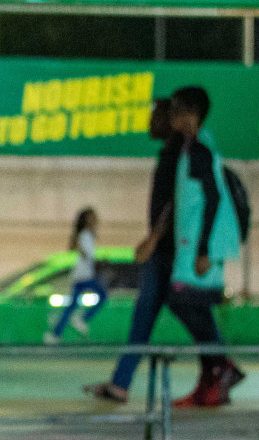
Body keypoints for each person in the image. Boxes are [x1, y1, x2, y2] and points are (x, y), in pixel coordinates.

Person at [84, 99, 241, 403]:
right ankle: (213, 372)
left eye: (158, 116)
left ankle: (219, 367)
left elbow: (179, 202)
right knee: (154, 314)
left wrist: (156, 238)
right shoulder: (177, 153)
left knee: (174, 307)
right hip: (171, 250)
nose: (150, 122)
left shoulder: (184, 155)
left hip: (172, 252)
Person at [163, 86, 245, 408]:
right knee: (194, 307)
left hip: (198, 248)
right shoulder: (192, 149)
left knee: (180, 299)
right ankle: (211, 382)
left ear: (192, 114)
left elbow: (212, 199)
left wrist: (203, 250)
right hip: (194, 245)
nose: (171, 116)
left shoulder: (199, 151)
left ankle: (221, 365)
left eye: (177, 109)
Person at [45, 208, 106, 343]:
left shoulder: (88, 235)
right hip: (83, 276)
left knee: (71, 306)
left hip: (82, 275)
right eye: (91, 217)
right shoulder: (84, 235)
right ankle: (81, 319)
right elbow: (84, 253)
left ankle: (55, 334)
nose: (94, 220)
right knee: (102, 295)